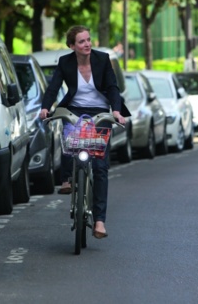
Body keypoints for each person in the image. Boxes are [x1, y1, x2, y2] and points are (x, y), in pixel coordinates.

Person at [39, 25, 130, 239]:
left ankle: (99, 221)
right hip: (75, 109)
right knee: (68, 135)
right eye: (81, 41)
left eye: (88, 39)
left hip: (100, 112)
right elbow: (53, 88)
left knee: (99, 167)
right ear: (72, 46)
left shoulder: (102, 59)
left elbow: (113, 87)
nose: (87, 44)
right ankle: (67, 179)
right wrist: (45, 107)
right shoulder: (65, 62)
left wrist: (115, 111)